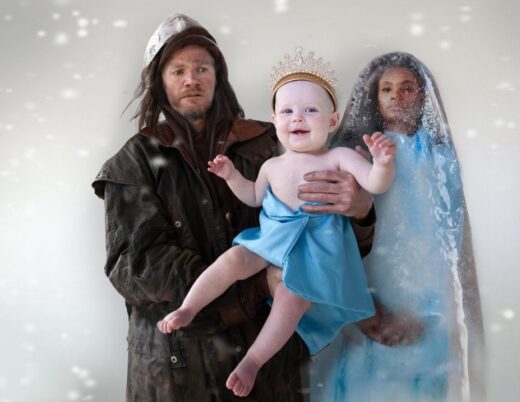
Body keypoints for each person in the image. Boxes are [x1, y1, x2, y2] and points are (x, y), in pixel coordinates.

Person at [92, 13, 375, 402]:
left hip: (270, 373)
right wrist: (255, 287)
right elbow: (135, 267)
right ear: (159, 82)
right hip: (178, 372)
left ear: (217, 76)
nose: (191, 79)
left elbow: (329, 244)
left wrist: (360, 210)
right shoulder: (134, 162)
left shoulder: (275, 142)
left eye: (201, 68)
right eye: (177, 71)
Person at [157, 48, 397, 397]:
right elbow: (254, 197)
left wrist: (382, 164)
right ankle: (189, 307)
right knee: (233, 259)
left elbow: (375, 185)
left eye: (310, 110)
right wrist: (231, 176)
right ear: (274, 119)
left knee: (291, 299)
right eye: (287, 111)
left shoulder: (339, 157)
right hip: (271, 239)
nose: (297, 118)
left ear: (332, 120)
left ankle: (253, 361)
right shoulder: (271, 165)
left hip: (316, 252)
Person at [310, 52, 486, 402]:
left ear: (422, 96)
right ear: (374, 97)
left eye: (407, 88)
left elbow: (450, 239)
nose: (396, 96)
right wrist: (364, 311)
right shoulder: (356, 157)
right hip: (370, 301)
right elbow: (332, 236)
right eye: (387, 89)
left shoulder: (440, 159)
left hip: (429, 312)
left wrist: (441, 310)